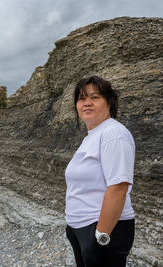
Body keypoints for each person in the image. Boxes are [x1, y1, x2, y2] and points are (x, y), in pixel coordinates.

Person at [65, 75, 135, 267]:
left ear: (109, 102)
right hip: (82, 227)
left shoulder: (113, 134)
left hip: (103, 230)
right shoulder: (92, 136)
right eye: (82, 98)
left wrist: (100, 235)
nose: (87, 103)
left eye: (94, 97)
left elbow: (119, 187)